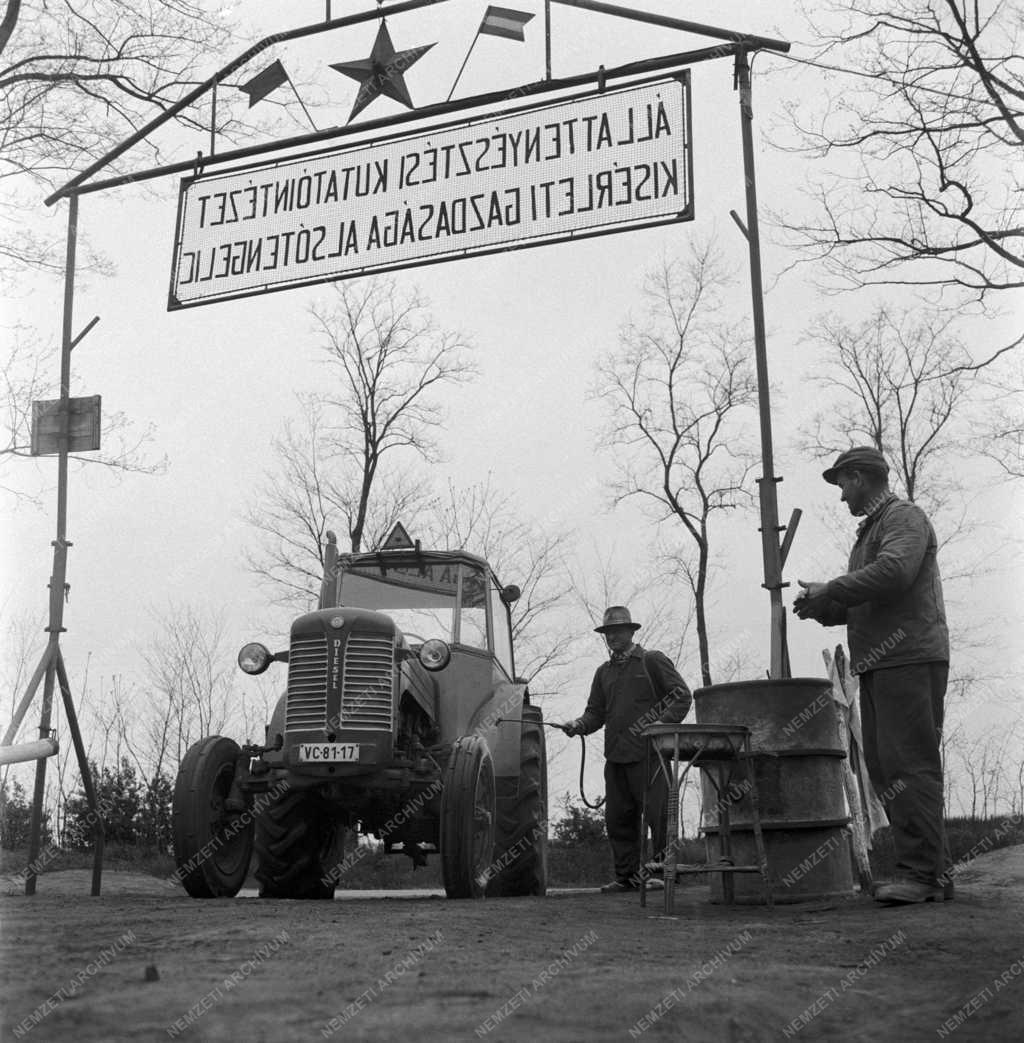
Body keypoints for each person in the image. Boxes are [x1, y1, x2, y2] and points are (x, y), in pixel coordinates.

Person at [793, 446, 951, 905]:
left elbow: (895, 573)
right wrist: (824, 607)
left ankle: (921, 875)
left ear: (861, 478)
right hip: (884, 662)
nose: (841, 496)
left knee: (909, 764)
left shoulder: (904, 518)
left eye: (842, 484)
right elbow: (869, 594)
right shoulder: (871, 532)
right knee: (887, 766)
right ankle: (932, 874)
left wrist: (833, 587)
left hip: (909, 658)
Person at [563, 606, 692, 893]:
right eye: (608, 632)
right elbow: (595, 713)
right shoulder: (603, 673)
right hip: (616, 757)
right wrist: (578, 725)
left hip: (651, 754)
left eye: (618, 631)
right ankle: (627, 878)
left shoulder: (651, 661)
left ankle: (662, 873)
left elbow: (682, 696)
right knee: (618, 819)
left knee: (658, 816)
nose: (613, 637)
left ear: (632, 632)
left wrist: (660, 724)